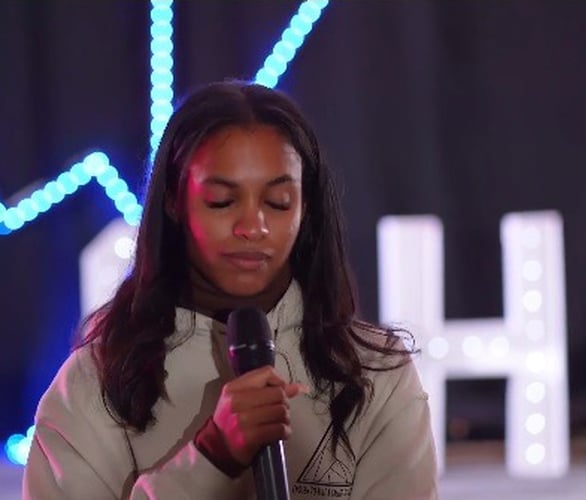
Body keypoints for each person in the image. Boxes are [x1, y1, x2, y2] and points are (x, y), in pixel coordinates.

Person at [22, 80, 437, 499]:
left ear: (305, 207)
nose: (253, 227)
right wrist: (211, 457)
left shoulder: (373, 376)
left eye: (277, 202)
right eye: (222, 201)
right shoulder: (96, 384)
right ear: (173, 200)